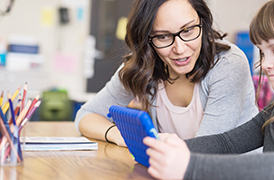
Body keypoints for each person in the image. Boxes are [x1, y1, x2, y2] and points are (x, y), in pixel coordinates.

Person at [143, 0, 274, 179]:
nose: (265, 64)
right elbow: (226, 143)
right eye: (263, 53)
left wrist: (190, 166)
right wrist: (170, 148)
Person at [74, 0, 258, 146]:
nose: (179, 49)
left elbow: (207, 151)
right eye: (163, 36)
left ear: (203, 24)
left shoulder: (228, 64)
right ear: (147, 40)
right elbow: (86, 115)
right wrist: (117, 134)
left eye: (187, 30)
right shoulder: (143, 66)